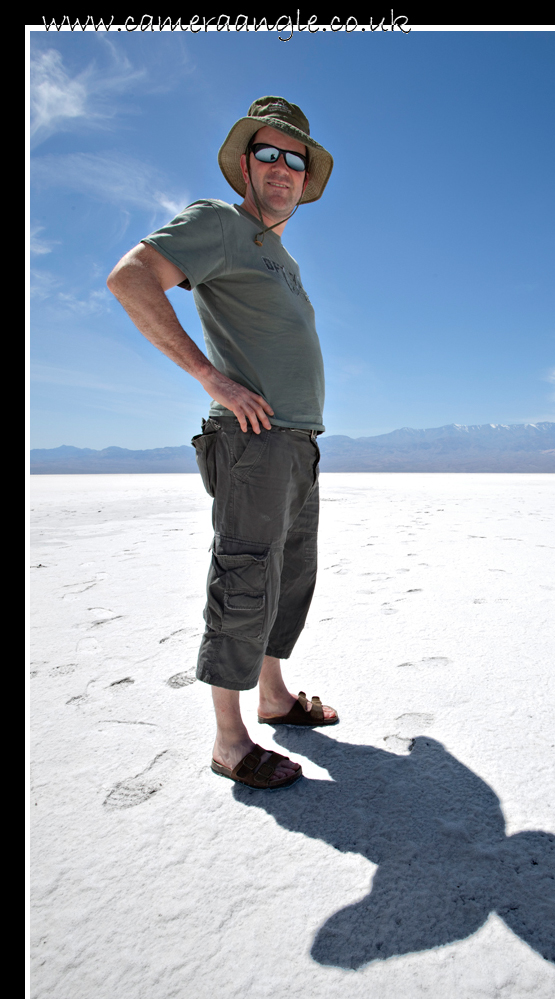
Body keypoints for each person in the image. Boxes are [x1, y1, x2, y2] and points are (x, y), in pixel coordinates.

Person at [106, 96, 338, 791]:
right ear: (244, 163)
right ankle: (229, 742)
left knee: (289, 574)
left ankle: (273, 696)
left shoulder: (279, 256)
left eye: (295, 159)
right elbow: (131, 278)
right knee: (244, 577)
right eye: (267, 153)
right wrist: (210, 378)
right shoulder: (218, 223)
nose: (282, 169)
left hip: (296, 442)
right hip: (252, 441)